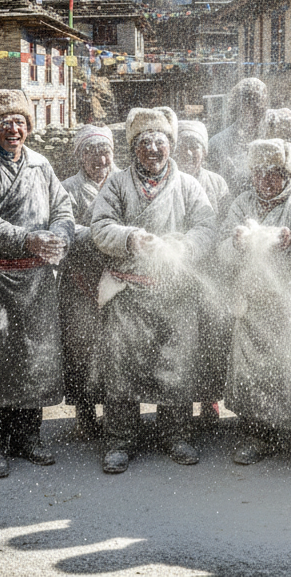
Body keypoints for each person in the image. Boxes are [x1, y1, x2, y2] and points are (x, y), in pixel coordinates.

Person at [91, 106, 217, 474]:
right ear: (133, 147)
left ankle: (176, 434)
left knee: (176, 365)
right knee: (121, 368)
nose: (152, 149)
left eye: (159, 142)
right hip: (127, 293)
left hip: (175, 293)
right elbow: (100, 226)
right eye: (144, 142)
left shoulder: (189, 186)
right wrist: (131, 239)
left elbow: (206, 228)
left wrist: (184, 247)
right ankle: (119, 440)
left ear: (170, 145)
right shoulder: (116, 184)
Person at [0, 89, 73, 479]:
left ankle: (28, 437)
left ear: (28, 128)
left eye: (20, 121)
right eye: (5, 122)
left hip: (36, 279)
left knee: (33, 359)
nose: (14, 128)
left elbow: (63, 208)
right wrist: (27, 238)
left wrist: (58, 235)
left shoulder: (41, 165)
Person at [222, 138, 291, 475]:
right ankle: (257, 436)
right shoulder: (242, 205)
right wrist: (236, 243)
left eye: (274, 174)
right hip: (254, 307)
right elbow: (221, 251)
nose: (265, 180)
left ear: (287, 174)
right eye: (259, 174)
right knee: (255, 375)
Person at [60, 124, 116, 440]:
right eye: (92, 153)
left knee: (113, 349)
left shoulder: (122, 184)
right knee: (81, 349)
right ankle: (85, 415)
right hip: (78, 284)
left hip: (116, 282)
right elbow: (65, 227)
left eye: (105, 151)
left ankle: (115, 414)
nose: (100, 159)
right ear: (81, 156)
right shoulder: (67, 188)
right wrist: (103, 236)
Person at [174, 119, 231, 427]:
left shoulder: (217, 184)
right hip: (176, 273)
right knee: (181, 343)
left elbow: (222, 226)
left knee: (211, 341)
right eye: (183, 146)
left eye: (195, 147)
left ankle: (209, 401)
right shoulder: (169, 182)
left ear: (205, 152)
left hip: (210, 273)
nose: (188, 152)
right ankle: (179, 408)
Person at [207, 78, 269, 197]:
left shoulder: (273, 140)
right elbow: (212, 186)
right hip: (231, 208)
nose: (256, 115)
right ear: (238, 108)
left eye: (260, 109)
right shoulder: (218, 143)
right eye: (251, 108)